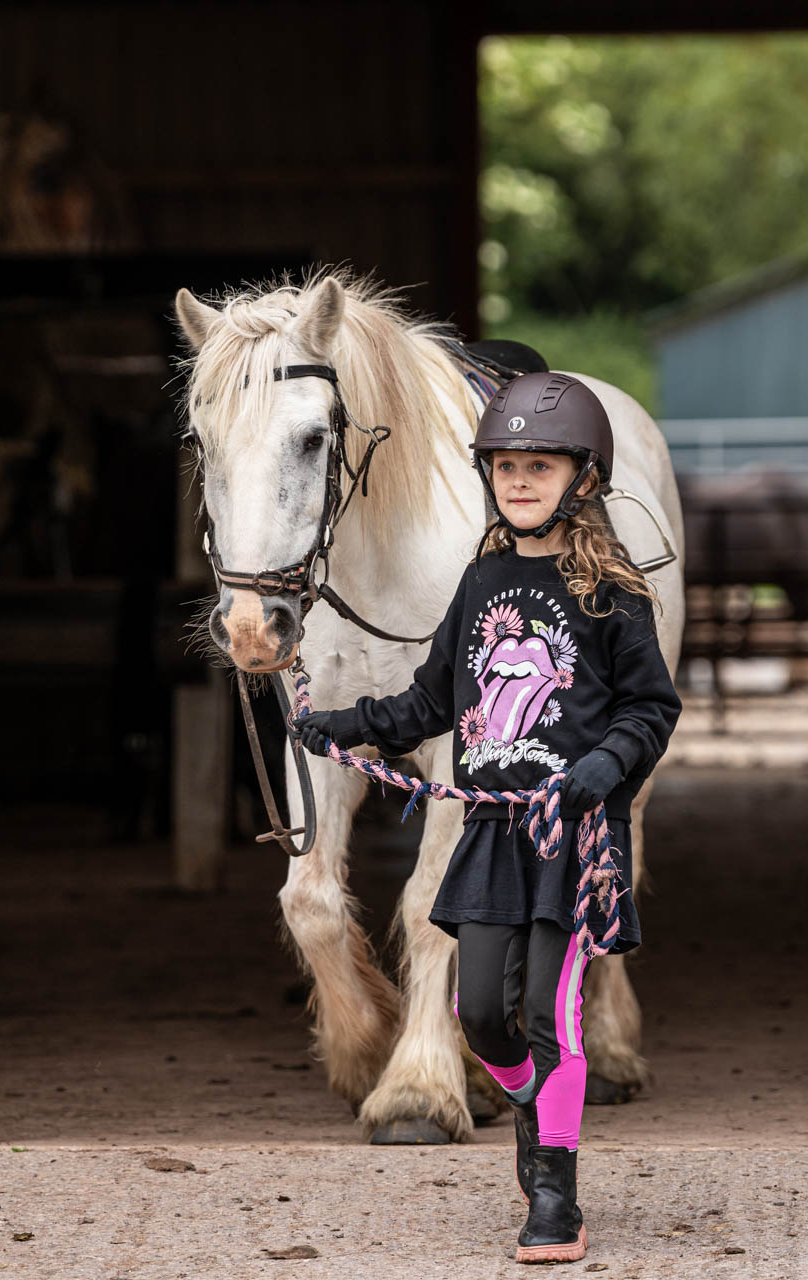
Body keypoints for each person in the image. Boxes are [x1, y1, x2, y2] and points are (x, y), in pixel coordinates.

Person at [294, 371, 680, 1264]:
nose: (518, 481)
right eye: (504, 466)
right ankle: (534, 1109)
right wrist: (338, 725)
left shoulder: (613, 592)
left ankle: (555, 1194)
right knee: (483, 1018)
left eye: (538, 466)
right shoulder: (479, 584)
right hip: (494, 837)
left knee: (552, 1017)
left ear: (582, 479)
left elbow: (650, 710)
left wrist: (602, 769)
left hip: (573, 838)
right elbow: (428, 702)